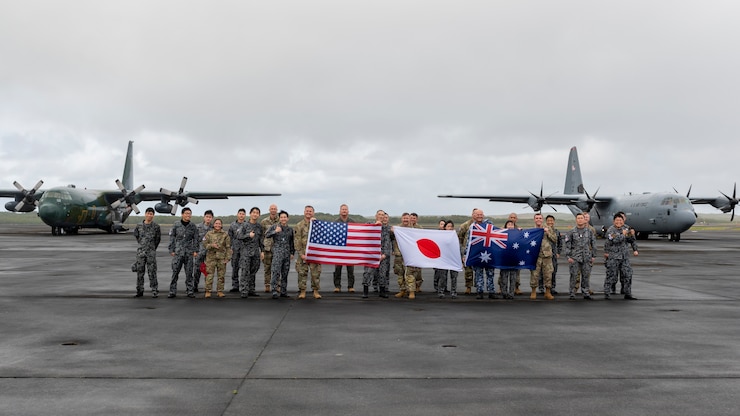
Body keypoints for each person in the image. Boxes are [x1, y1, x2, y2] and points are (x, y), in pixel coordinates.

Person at [603, 213, 639, 300]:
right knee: (611, 275)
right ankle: (607, 293)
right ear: (614, 221)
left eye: (621, 220)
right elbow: (614, 240)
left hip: (624, 257)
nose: (619, 222)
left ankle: (627, 293)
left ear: (623, 221)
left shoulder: (626, 228)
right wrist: (623, 234)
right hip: (614, 257)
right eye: (617, 220)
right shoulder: (611, 230)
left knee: (628, 275)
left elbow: (631, 240)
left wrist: (632, 235)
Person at [464, 209, 497, 299]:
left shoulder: (489, 224)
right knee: (478, 273)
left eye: (481, 214)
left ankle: (491, 291)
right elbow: (468, 242)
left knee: (490, 273)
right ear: (473, 215)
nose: (479, 216)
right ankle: (480, 291)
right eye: (477, 214)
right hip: (477, 254)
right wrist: (465, 254)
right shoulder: (472, 227)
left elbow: (498, 233)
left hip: (489, 253)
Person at [167, 207, 199, 298]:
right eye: (186, 213)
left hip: (189, 252)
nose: (188, 215)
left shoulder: (193, 226)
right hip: (178, 252)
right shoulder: (176, 225)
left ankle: (190, 291)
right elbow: (172, 237)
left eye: (189, 213)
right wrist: (171, 249)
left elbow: (196, 239)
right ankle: (172, 291)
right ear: (182, 214)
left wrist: (196, 250)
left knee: (189, 273)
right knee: (175, 272)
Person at [565, 212, 597, 300]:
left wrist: (593, 256)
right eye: (578, 218)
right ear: (576, 220)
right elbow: (568, 245)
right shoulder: (571, 232)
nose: (580, 220)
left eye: (581, 218)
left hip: (586, 257)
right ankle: (572, 292)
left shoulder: (589, 231)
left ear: (584, 220)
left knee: (586, 276)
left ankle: (585, 292)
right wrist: (568, 257)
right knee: (574, 275)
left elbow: (593, 244)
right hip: (575, 257)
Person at [294, 205, 322, 299]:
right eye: (307, 211)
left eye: (310, 211)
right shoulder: (299, 225)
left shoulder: (317, 224)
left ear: (313, 213)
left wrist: (316, 223)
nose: (308, 213)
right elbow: (297, 241)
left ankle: (316, 291)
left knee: (315, 274)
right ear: (304, 212)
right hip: (303, 254)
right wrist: (301, 254)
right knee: (302, 273)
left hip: (314, 254)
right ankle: (302, 291)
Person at [362, 210, 392, 298]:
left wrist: (384, 254)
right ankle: (365, 291)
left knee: (382, 274)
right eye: (379, 214)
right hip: (371, 254)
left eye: (383, 215)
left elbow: (387, 242)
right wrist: (375, 225)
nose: (381, 216)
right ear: (376, 216)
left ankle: (382, 291)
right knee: (368, 273)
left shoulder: (386, 228)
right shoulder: (370, 225)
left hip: (382, 255)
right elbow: (364, 230)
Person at [265, 210, 295, 299]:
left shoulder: (290, 229)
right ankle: (274, 290)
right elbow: (266, 234)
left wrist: (292, 252)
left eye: (285, 217)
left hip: (286, 253)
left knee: (285, 273)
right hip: (278, 253)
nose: (283, 219)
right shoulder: (275, 226)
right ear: (279, 218)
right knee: (276, 272)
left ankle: (283, 291)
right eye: (281, 217)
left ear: (287, 218)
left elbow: (291, 242)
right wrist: (275, 231)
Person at [236, 207, 264, 298]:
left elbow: (261, 239)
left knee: (253, 271)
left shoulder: (259, 226)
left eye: (257, 213)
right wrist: (248, 235)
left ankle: (251, 289)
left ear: (259, 215)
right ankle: (244, 291)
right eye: (253, 212)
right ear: (250, 214)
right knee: (245, 271)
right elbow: (238, 236)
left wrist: (262, 251)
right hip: (246, 252)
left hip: (255, 252)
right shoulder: (244, 225)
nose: (255, 214)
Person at [133, 207, 161, 298]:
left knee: (152, 272)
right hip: (141, 252)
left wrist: (152, 248)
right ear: (145, 214)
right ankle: (139, 290)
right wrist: (142, 246)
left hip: (151, 253)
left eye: (151, 214)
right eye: (148, 213)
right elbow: (137, 237)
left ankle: (154, 290)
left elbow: (157, 239)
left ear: (153, 215)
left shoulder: (156, 227)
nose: (149, 215)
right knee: (140, 272)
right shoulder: (139, 226)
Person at [529, 213, 557, 300]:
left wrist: (548, 232)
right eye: (536, 218)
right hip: (535, 255)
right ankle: (533, 291)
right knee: (534, 274)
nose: (538, 219)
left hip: (546, 255)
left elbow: (555, 239)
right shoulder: (532, 230)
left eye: (540, 218)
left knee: (548, 274)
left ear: (542, 219)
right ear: (534, 219)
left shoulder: (548, 228)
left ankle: (547, 292)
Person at [202, 218, 232, 298]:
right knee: (209, 275)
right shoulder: (209, 234)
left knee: (221, 275)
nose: (218, 225)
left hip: (221, 258)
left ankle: (220, 291)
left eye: (219, 224)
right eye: (216, 223)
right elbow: (204, 244)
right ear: (213, 224)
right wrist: (211, 245)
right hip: (211, 257)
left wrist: (228, 258)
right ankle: (208, 290)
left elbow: (228, 247)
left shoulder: (225, 235)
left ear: (221, 225)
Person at [333, 204, 356, 292]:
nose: (344, 211)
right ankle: (337, 286)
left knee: (350, 269)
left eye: (345, 209)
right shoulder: (335, 222)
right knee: (337, 269)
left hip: (350, 249)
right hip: (339, 249)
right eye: (342, 209)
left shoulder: (352, 222)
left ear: (348, 211)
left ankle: (350, 286)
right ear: (340, 211)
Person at [538, 215, 562, 295]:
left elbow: (559, 243)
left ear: (554, 222)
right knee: (542, 272)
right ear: (546, 221)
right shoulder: (542, 230)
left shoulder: (556, 231)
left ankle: (552, 287)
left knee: (553, 272)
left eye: (551, 220)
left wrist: (558, 252)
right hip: (544, 254)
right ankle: (541, 288)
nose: (550, 222)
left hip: (553, 255)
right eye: (548, 220)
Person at [436, 220, 459, 299]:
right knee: (443, 277)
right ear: (445, 228)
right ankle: (441, 291)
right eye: (448, 226)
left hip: (453, 259)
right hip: (444, 259)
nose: (450, 228)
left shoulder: (456, 236)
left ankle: (453, 292)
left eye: (451, 226)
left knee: (454, 277)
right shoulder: (440, 236)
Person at [192, 209, 214, 293]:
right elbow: (195, 240)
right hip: (199, 251)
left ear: (212, 218)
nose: (208, 218)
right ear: (204, 217)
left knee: (208, 270)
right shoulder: (198, 227)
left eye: (210, 217)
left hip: (210, 252)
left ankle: (208, 287)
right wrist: (195, 251)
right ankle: (195, 286)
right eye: (207, 217)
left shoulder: (213, 228)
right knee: (197, 269)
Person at [457, 208, 477, 295]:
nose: (477, 216)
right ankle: (468, 287)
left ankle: (478, 287)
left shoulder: (484, 225)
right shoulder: (465, 225)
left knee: (478, 270)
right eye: (475, 214)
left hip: (478, 251)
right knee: (468, 270)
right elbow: (460, 237)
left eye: (478, 214)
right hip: (468, 250)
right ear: (472, 214)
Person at [261, 204, 279, 293]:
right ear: (269, 210)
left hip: (277, 248)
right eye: (271, 209)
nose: (273, 210)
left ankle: (277, 285)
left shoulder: (281, 220)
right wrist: (262, 250)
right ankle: (267, 285)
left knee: (277, 268)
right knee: (267, 268)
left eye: (274, 209)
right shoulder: (264, 222)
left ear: (277, 210)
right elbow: (261, 236)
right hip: (267, 248)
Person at [227, 208, 247, 293]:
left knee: (245, 268)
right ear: (237, 214)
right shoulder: (232, 225)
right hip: (235, 249)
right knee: (235, 267)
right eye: (240, 214)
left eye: (243, 214)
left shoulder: (247, 225)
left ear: (245, 215)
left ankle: (244, 286)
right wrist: (229, 248)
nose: (241, 215)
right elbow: (229, 237)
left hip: (244, 249)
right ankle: (235, 285)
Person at [392, 213, 410, 297]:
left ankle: (410, 290)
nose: (405, 220)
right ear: (401, 219)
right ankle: (402, 290)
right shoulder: (397, 228)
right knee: (400, 273)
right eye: (404, 218)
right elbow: (390, 238)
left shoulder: (413, 229)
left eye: (407, 218)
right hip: (399, 254)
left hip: (409, 255)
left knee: (409, 274)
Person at [499, 220, 518, 299]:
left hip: (514, 258)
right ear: (506, 226)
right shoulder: (501, 233)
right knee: (504, 276)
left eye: (512, 224)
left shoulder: (518, 234)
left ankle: (511, 293)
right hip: (504, 258)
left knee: (513, 276)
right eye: (508, 224)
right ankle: (504, 292)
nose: (510, 226)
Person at [407, 212, 424, 292]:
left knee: (418, 271)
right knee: (409, 271)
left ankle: (418, 285)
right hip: (408, 251)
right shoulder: (405, 228)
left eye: (414, 218)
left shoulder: (420, 228)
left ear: (417, 219)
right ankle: (409, 287)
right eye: (411, 218)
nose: (412, 219)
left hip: (418, 251)